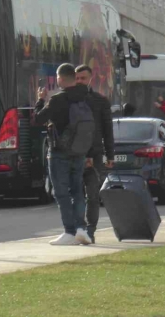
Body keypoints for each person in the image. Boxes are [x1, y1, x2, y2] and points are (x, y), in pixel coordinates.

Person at [35, 63, 93, 246]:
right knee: (77, 190)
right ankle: (82, 229)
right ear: (74, 78)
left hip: (59, 152)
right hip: (79, 151)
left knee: (61, 192)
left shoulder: (57, 99)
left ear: (60, 78)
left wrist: (40, 100)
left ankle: (69, 232)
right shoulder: (85, 96)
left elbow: (37, 120)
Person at [75, 65, 114, 244]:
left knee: (92, 194)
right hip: (73, 155)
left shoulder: (100, 101)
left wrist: (110, 155)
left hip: (95, 155)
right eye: (77, 78)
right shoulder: (67, 100)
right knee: (75, 195)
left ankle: (90, 231)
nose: (80, 81)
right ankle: (77, 229)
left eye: (83, 78)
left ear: (90, 79)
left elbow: (107, 130)